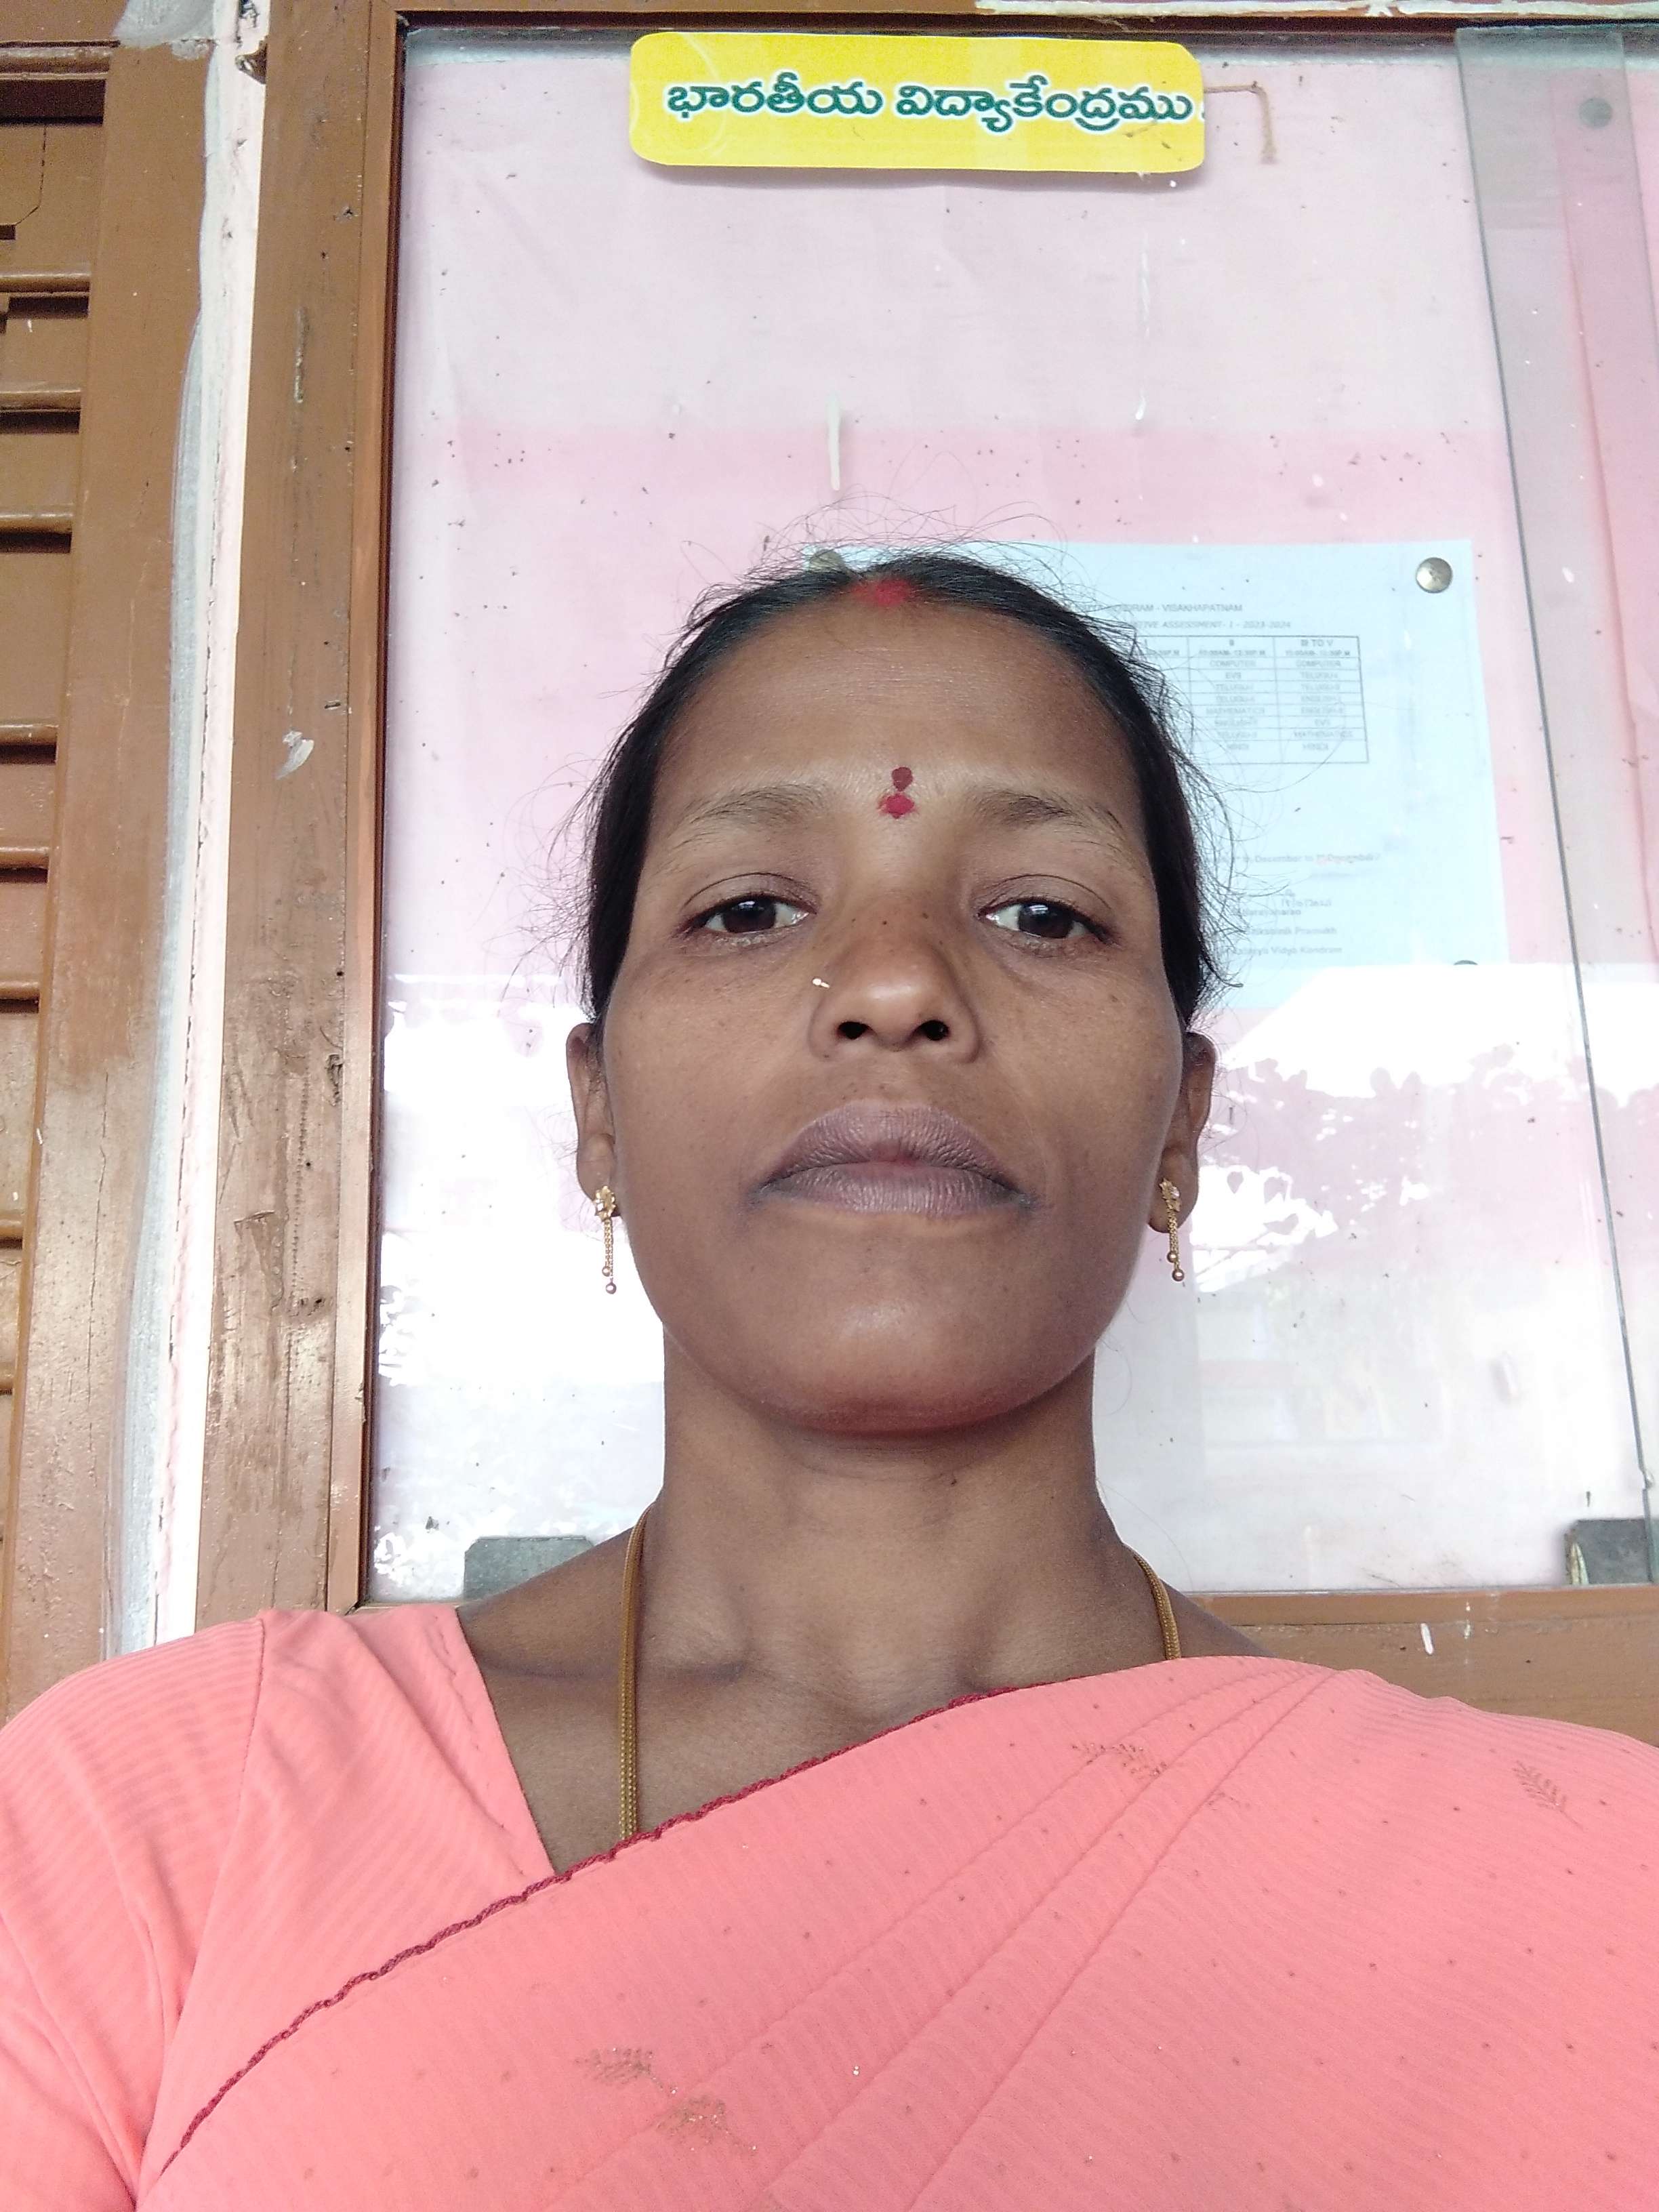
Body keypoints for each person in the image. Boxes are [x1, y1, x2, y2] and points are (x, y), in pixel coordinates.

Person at [3, 552, 1656, 2209]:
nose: (894, 987)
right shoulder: (161, 1822)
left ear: (1184, 1126)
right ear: (597, 1114)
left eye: (1041, 914)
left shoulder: (1586, 1898)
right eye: (749, 911)